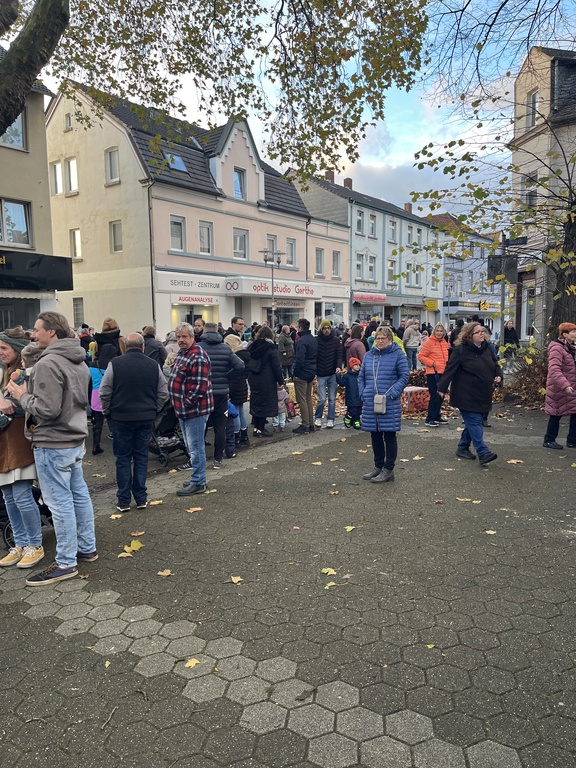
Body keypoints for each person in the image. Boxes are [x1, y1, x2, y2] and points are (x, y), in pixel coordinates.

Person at [6, 312, 97, 585]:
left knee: (59, 504)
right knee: (78, 495)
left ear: (52, 332)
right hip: (73, 439)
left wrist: (22, 396)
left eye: (37, 330)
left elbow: (46, 409)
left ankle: (66, 562)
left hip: (52, 441)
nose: (33, 335)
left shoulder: (49, 364)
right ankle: (86, 547)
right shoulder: (76, 358)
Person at [99, 333, 168, 511]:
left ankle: (123, 500)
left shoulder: (115, 364)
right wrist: (155, 409)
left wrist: (108, 412)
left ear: (125, 346)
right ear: (143, 346)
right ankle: (141, 498)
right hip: (145, 417)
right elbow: (163, 393)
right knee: (141, 457)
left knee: (122, 458)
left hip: (121, 418)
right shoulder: (153, 365)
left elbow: (104, 391)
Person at [0, 329, 44, 569]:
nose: (0, 352)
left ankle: (34, 545)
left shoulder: (25, 373)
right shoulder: (3, 373)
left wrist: (8, 403)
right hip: (4, 441)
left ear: (16, 349)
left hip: (19, 438)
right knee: (8, 496)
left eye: (4, 348)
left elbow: (25, 405)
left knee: (21, 495)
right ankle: (19, 543)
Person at [437, 322, 502, 465]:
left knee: (473, 423)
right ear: (469, 336)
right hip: (464, 394)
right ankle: (483, 452)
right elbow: (450, 370)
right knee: (474, 422)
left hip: (482, 394)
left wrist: (498, 374)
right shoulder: (461, 350)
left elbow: (495, 364)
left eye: (482, 331)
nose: (481, 334)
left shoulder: (487, 348)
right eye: (478, 332)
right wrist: (441, 388)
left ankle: (462, 447)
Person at [359, 326, 410, 483]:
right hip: (370, 402)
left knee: (389, 434)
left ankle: (389, 470)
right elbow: (361, 377)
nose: (380, 341)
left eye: (383, 338)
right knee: (375, 434)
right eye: (378, 338)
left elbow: (404, 376)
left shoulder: (398, 355)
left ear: (390, 339)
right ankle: (378, 467)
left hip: (389, 402)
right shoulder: (369, 356)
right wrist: (363, 393)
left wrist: (393, 394)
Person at [168, 322, 213, 496]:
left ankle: (199, 481)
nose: (181, 340)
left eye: (184, 336)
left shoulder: (198, 356)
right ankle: (197, 476)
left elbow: (200, 386)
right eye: (178, 337)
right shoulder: (182, 354)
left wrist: (187, 402)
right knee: (190, 446)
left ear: (192, 337)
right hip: (183, 410)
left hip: (194, 410)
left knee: (196, 447)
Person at [198, 322, 244, 468]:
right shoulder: (225, 349)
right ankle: (218, 459)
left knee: (201, 427)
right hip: (221, 393)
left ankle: (198, 458)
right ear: (218, 331)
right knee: (220, 427)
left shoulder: (198, 348)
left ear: (204, 332)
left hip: (203, 393)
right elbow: (240, 365)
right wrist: (227, 377)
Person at [542, 322, 576, 449]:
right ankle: (549, 440)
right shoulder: (557, 348)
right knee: (556, 413)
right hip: (559, 388)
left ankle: (572, 441)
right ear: (565, 334)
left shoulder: (570, 347)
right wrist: (565, 385)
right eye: (573, 332)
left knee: (575, 412)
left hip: (571, 387)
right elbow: (554, 369)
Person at [246, 325, 284, 437]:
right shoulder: (271, 348)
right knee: (264, 404)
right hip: (267, 379)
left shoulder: (252, 346)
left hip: (254, 378)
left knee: (256, 402)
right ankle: (261, 429)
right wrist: (281, 380)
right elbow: (276, 366)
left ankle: (256, 428)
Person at [418, 323, 450, 427]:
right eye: (437, 331)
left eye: (441, 331)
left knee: (441, 396)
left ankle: (437, 415)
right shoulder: (429, 343)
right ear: (434, 332)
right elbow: (421, 356)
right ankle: (430, 418)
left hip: (443, 372)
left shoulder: (445, 343)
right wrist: (432, 363)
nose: (439, 333)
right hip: (433, 373)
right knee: (435, 396)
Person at [314, 320, 343, 429]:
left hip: (332, 373)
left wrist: (338, 366)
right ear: (321, 329)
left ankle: (330, 419)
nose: (327, 330)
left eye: (328, 328)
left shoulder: (336, 341)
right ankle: (318, 417)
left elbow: (339, 355)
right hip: (321, 373)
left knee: (332, 398)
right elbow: (314, 355)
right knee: (321, 398)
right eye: (325, 328)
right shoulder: (316, 340)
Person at [291, 318, 318, 434]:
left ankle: (305, 424)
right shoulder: (313, 339)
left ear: (300, 328)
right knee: (308, 398)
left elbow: (299, 360)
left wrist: (295, 373)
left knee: (302, 400)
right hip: (311, 371)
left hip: (302, 373)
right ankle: (311, 423)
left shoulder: (301, 341)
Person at [225, 334, 251, 447]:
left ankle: (235, 436)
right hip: (242, 385)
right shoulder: (244, 355)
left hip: (234, 386)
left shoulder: (233, 357)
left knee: (235, 413)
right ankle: (244, 434)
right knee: (241, 411)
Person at [336, 357, 363, 429]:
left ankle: (356, 421)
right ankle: (347, 419)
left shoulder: (360, 376)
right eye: (356, 365)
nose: (358, 367)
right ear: (351, 366)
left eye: (359, 365)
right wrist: (338, 376)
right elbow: (342, 383)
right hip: (351, 397)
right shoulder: (347, 376)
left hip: (359, 396)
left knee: (358, 411)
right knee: (352, 411)